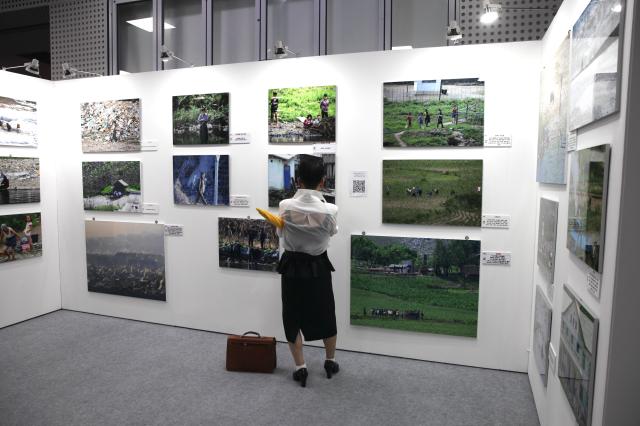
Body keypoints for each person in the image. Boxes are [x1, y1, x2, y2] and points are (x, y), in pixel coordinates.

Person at [277, 154, 339, 387]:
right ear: (322, 181)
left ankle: (300, 368)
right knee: (326, 312)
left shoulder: (285, 205)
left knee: (291, 315)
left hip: (291, 266)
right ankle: (330, 362)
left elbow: (281, 233)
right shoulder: (330, 210)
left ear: (297, 180)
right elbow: (332, 232)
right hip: (318, 266)